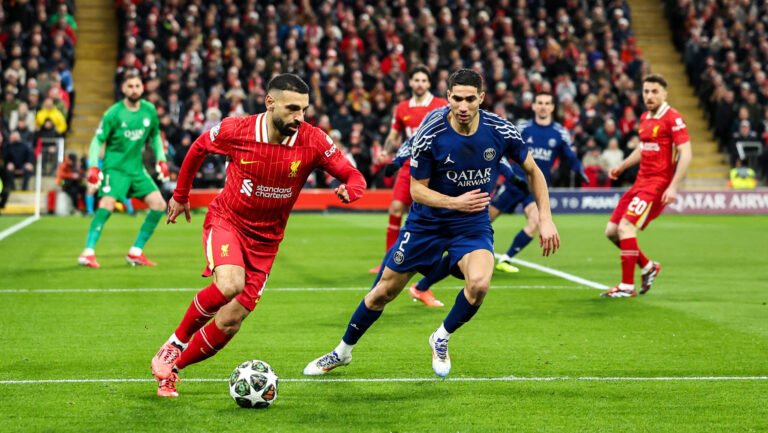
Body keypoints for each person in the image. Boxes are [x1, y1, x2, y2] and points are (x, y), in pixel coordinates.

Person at [303, 69, 559, 378]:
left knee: (479, 284)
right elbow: (416, 190)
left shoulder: (501, 131)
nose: (463, 106)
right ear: (448, 97)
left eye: (470, 99)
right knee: (383, 292)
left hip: (471, 224)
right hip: (427, 223)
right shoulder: (431, 133)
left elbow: (533, 170)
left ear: (481, 98)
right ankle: (341, 352)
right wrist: (454, 202)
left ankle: (441, 337)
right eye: (457, 99)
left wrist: (545, 219)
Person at [150, 74, 366, 397]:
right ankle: (173, 345)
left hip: (266, 243)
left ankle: (172, 369)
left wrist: (353, 188)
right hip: (228, 222)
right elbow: (198, 148)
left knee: (229, 321)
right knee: (229, 284)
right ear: (270, 103)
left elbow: (353, 173)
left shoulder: (314, 141)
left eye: (304, 110)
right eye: (292, 108)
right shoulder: (236, 130)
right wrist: (181, 194)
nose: (300, 117)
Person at [602, 74, 692, 298]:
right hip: (639, 183)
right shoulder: (644, 117)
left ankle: (626, 286)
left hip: (657, 185)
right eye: (646, 92)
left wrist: (673, 186)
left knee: (626, 228)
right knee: (612, 232)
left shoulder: (673, 118)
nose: (649, 96)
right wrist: (622, 166)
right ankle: (648, 266)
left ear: (664, 94)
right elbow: (644, 148)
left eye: (654, 91)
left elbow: (686, 153)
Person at [370, 64, 448, 307]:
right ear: (410, 82)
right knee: (395, 209)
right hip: (407, 166)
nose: (420, 83)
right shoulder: (401, 108)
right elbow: (395, 134)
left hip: (433, 169)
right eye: (416, 79)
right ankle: (388, 259)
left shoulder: (439, 106)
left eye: (424, 79)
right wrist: (386, 150)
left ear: (428, 83)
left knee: (427, 216)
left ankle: (421, 270)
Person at [77, 73, 171, 268]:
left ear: (142, 88)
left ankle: (135, 252)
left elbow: (155, 136)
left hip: (137, 169)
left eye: (137, 85)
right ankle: (88, 252)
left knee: (159, 204)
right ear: (124, 89)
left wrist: (161, 160)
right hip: (115, 169)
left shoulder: (149, 110)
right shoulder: (113, 113)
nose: (134, 89)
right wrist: (93, 165)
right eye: (130, 86)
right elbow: (97, 140)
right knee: (107, 204)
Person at [493, 91, 586, 273]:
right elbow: (503, 149)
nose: (543, 106)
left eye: (547, 103)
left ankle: (506, 258)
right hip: (514, 182)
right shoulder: (522, 127)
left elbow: (569, 155)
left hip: (535, 187)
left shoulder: (560, 133)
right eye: (540, 102)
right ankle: (459, 248)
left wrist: (579, 170)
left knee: (535, 221)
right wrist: (504, 172)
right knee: (485, 219)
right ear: (533, 106)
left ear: (552, 107)